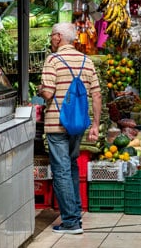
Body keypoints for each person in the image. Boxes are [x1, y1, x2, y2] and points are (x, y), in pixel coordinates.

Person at [38, 22, 102, 234]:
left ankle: (71, 222)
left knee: (62, 171)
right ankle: (75, 214)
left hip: (57, 124)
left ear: (58, 37)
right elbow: (97, 95)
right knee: (72, 167)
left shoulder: (53, 60)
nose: (51, 39)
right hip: (78, 124)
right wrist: (95, 125)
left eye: (52, 36)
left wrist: (40, 88)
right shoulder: (86, 60)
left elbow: (47, 93)